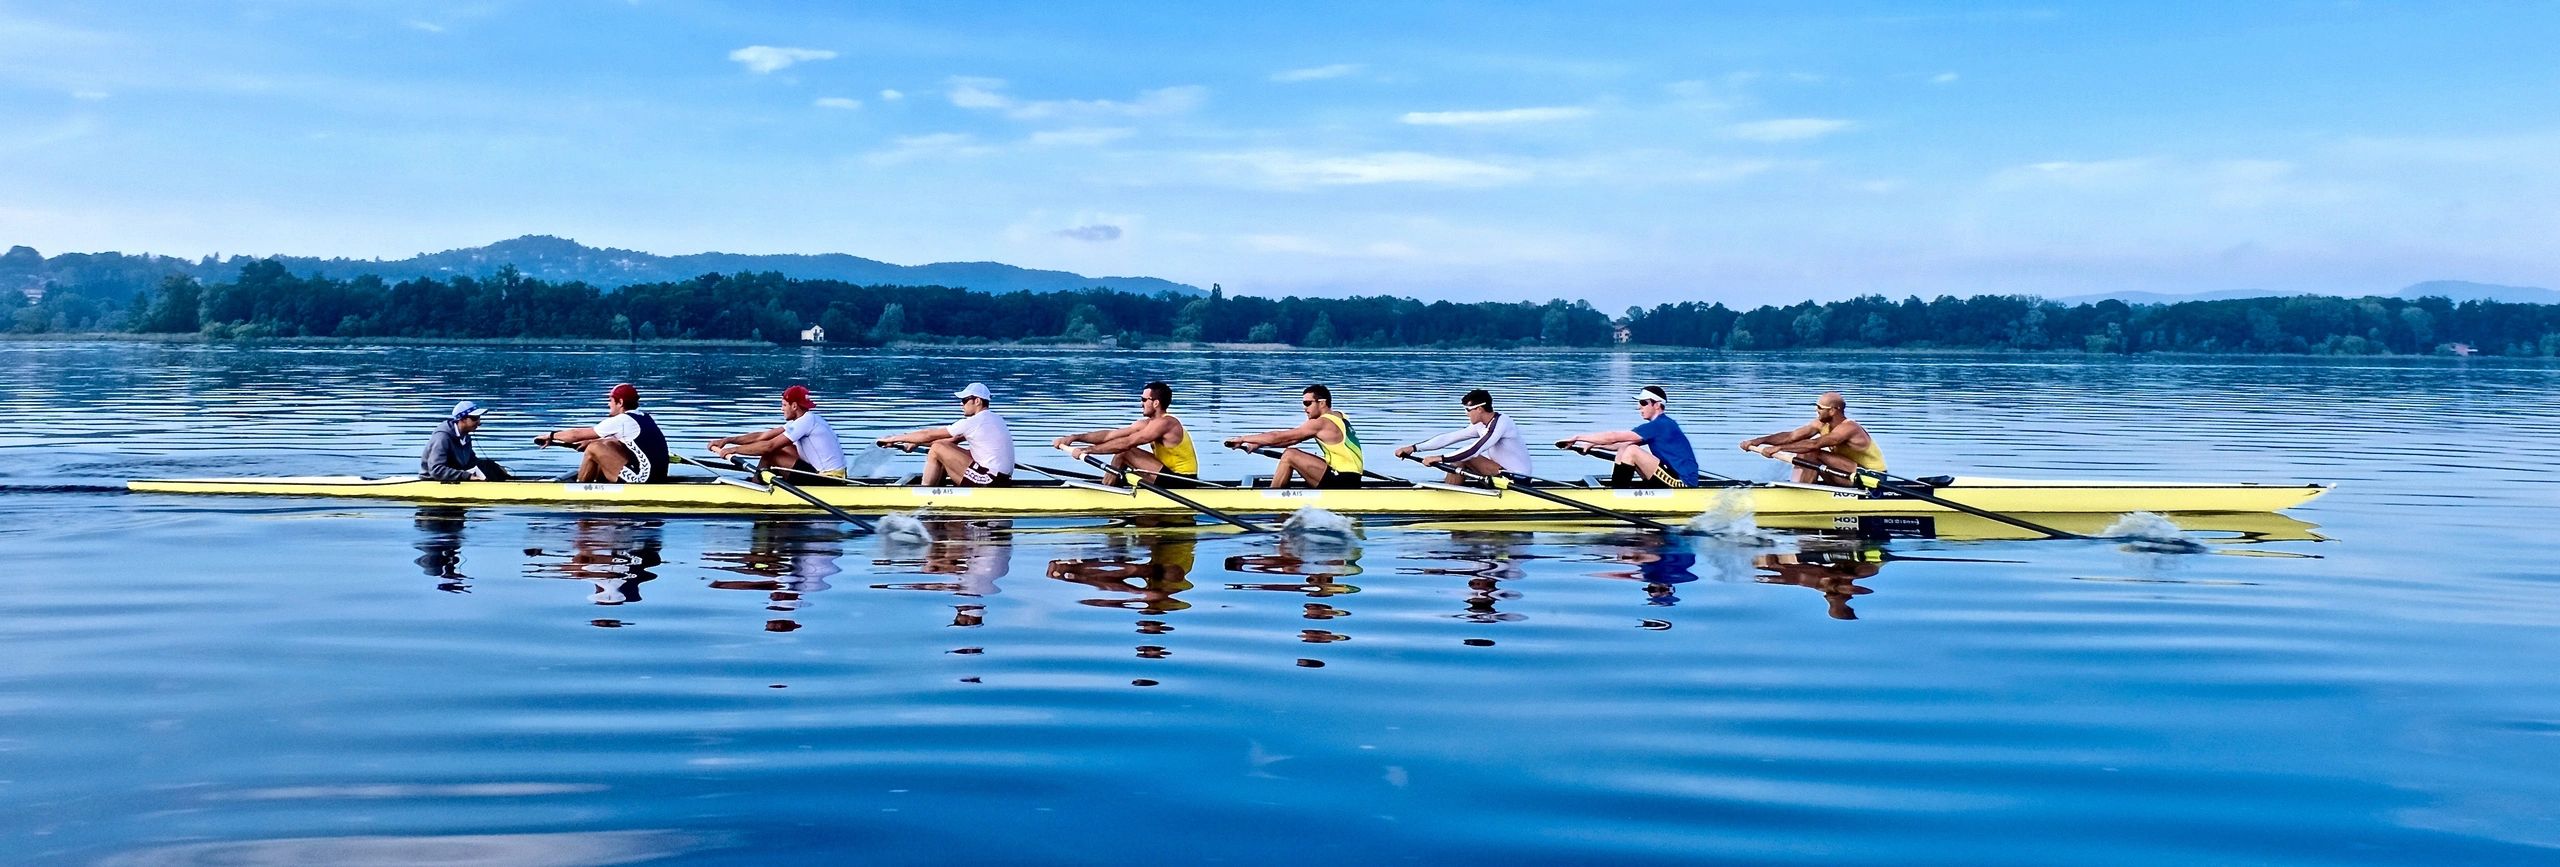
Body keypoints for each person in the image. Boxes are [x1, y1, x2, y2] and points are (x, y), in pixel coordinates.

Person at [1051, 380, 1199, 486]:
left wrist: (1087, 451)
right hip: (1165, 475)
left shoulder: (1167, 423)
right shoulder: (1147, 424)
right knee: (1123, 458)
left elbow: (1128, 443)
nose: (1141, 403)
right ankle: (1110, 484)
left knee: (1125, 452)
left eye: (1144, 399)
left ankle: (1107, 490)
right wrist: (1073, 438)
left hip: (1183, 480)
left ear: (1155, 403)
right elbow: (1109, 435)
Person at [1556, 385, 1700, 488]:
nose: (1639, 407)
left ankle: (1618, 494)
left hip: (1683, 483)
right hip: (1669, 475)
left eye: (1643, 403)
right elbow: (1618, 444)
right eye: (1639, 403)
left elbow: (1613, 437)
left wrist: (1578, 437)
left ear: (1657, 405)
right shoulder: (1658, 425)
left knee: (1631, 450)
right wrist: (1592, 445)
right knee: (1625, 448)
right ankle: (1618, 490)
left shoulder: (1661, 425)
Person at [1226, 384, 1364, 489]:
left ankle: (1271, 497)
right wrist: (1258, 444)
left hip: (1342, 480)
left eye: (1308, 403)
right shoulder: (1339, 416)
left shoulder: (1321, 423)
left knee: (1290, 455)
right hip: (1351, 478)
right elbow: (1291, 440)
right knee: (1290, 452)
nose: (1304, 408)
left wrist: (1242, 438)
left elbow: (1278, 437)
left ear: (1322, 403)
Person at [878, 382, 1015, 486]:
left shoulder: (974, 421)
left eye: (964, 400)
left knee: (937, 448)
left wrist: (894, 438)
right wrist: (913, 442)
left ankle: (924, 493)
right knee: (942, 447)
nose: (961, 404)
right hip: (1002, 479)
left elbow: (928, 434)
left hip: (989, 480)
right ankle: (937, 488)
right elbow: (951, 440)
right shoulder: (995, 419)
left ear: (977, 401)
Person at [1739, 390, 1886, 487]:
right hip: (1845, 473)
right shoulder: (1821, 424)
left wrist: (1778, 448)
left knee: (1812, 451)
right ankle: (1799, 486)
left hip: (1871, 478)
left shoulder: (1849, 428)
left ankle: (1801, 492)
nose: (1816, 410)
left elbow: (1815, 444)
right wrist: (1759, 441)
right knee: (1805, 451)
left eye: (1820, 407)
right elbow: (1791, 436)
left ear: (1833, 410)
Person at [534, 382, 671, 484]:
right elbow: (615, 441)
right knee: (603, 443)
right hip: (657, 477)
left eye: (610, 400)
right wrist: (591, 442)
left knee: (594, 448)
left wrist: (551, 436)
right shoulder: (643, 417)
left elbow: (575, 435)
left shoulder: (622, 420)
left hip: (642, 480)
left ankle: (580, 488)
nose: (608, 404)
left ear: (620, 402)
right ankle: (598, 483)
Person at [1394, 388, 1532, 485]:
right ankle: (1450, 491)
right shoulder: (1479, 425)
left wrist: (1440, 458)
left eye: (1468, 410)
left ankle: (1448, 498)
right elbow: (1448, 438)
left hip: (1517, 478)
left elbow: (1474, 450)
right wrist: (1414, 448)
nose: (1466, 414)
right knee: (1460, 459)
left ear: (1479, 409)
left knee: (1465, 457)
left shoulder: (1502, 423)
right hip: (1499, 472)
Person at [708, 385, 848, 480]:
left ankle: (756, 485)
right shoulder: (803, 420)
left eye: (784, 405)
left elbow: (769, 446)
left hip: (829, 479)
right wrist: (727, 441)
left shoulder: (806, 421)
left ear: (794, 406)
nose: (782, 409)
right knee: (782, 446)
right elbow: (762, 436)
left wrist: (733, 450)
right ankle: (760, 479)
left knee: (771, 451)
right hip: (825, 473)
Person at [420, 399, 510, 482]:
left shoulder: (465, 436)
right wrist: (467, 476)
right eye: (474, 418)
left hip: (455, 478)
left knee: (489, 466)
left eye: (479, 418)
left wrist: (495, 468)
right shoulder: (442, 438)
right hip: (432, 480)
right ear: (462, 419)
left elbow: (471, 462)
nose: (479, 422)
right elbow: (436, 470)